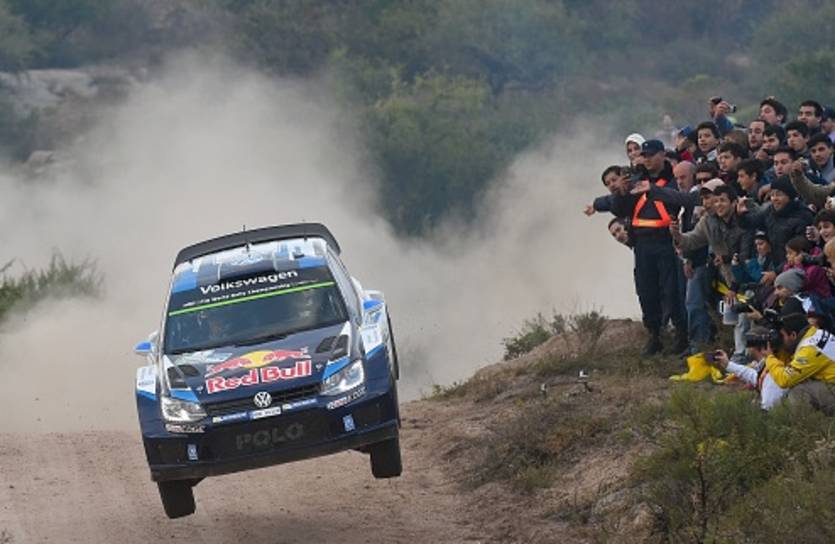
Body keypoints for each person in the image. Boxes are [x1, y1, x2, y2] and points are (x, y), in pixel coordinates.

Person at [611, 139, 687, 355]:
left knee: (671, 290)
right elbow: (619, 210)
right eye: (644, 156)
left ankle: (681, 334)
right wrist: (621, 192)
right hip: (643, 244)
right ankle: (655, 335)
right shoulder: (636, 181)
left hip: (666, 241)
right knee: (646, 291)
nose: (647, 159)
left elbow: (679, 202)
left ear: (662, 155)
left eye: (651, 155)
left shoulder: (673, 179)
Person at [763, 296, 835, 415]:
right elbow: (792, 363)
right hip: (830, 382)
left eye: (782, 336)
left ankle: (803, 424)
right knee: (801, 381)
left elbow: (784, 379)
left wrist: (770, 357)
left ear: (793, 335)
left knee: (799, 390)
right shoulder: (814, 334)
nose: (781, 339)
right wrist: (781, 351)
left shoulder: (810, 349)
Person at [737, 175, 814, 267]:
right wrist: (741, 215)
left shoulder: (803, 216)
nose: (774, 199)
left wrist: (777, 272)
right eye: (772, 194)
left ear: (790, 196)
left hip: (795, 268)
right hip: (776, 264)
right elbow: (751, 223)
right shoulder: (770, 211)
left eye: (778, 194)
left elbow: (799, 252)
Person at [712, 331, 787, 410]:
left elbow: (768, 406)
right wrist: (728, 364)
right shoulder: (772, 366)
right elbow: (754, 376)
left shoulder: (773, 374)